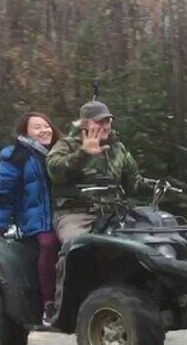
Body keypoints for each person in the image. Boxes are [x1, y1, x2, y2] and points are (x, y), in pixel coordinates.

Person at [0, 112, 62, 324]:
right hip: (34, 217)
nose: (45, 130)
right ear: (25, 132)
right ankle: (49, 303)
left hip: (63, 214)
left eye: (47, 126)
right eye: (37, 127)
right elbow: (4, 192)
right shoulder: (16, 156)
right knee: (49, 245)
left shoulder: (61, 153)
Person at [47, 100, 146, 245]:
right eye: (99, 122)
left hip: (114, 213)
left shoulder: (117, 148)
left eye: (108, 121)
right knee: (76, 246)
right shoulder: (66, 145)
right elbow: (54, 169)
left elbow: (134, 182)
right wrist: (83, 154)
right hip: (77, 214)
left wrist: (161, 187)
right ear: (84, 124)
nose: (105, 126)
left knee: (145, 240)